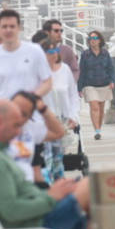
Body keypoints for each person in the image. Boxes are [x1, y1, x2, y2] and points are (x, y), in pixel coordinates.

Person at [0, 99, 90, 229]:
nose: (19, 132)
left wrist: (52, 193)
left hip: (33, 218)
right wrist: (51, 198)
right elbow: (11, 210)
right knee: (89, 188)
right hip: (31, 226)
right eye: (16, 125)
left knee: (89, 202)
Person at [0, 8, 53, 173]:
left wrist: (31, 99)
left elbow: (47, 82)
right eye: (4, 26)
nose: (8, 30)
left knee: (34, 169)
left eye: (12, 26)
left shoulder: (35, 52)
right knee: (2, 165)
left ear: (19, 28)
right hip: (1, 121)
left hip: (29, 119)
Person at [39, 35, 82, 184]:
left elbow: (72, 95)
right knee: (47, 158)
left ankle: (58, 185)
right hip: (44, 121)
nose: (54, 53)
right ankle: (49, 186)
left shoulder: (65, 70)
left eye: (55, 50)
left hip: (62, 120)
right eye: (49, 51)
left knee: (58, 158)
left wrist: (73, 116)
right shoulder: (38, 72)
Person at [78, 31, 115, 141]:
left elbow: (111, 68)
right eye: (90, 38)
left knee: (101, 108)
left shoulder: (105, 53)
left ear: (99, 40)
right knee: (94, 106)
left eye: (95, 38)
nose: (92, 40)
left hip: (104, 83)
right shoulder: (85, 54)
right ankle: (96, 131)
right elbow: (82, 71)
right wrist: (79, 87)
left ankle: (99, 128)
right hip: (89, 84)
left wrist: (112, 81)